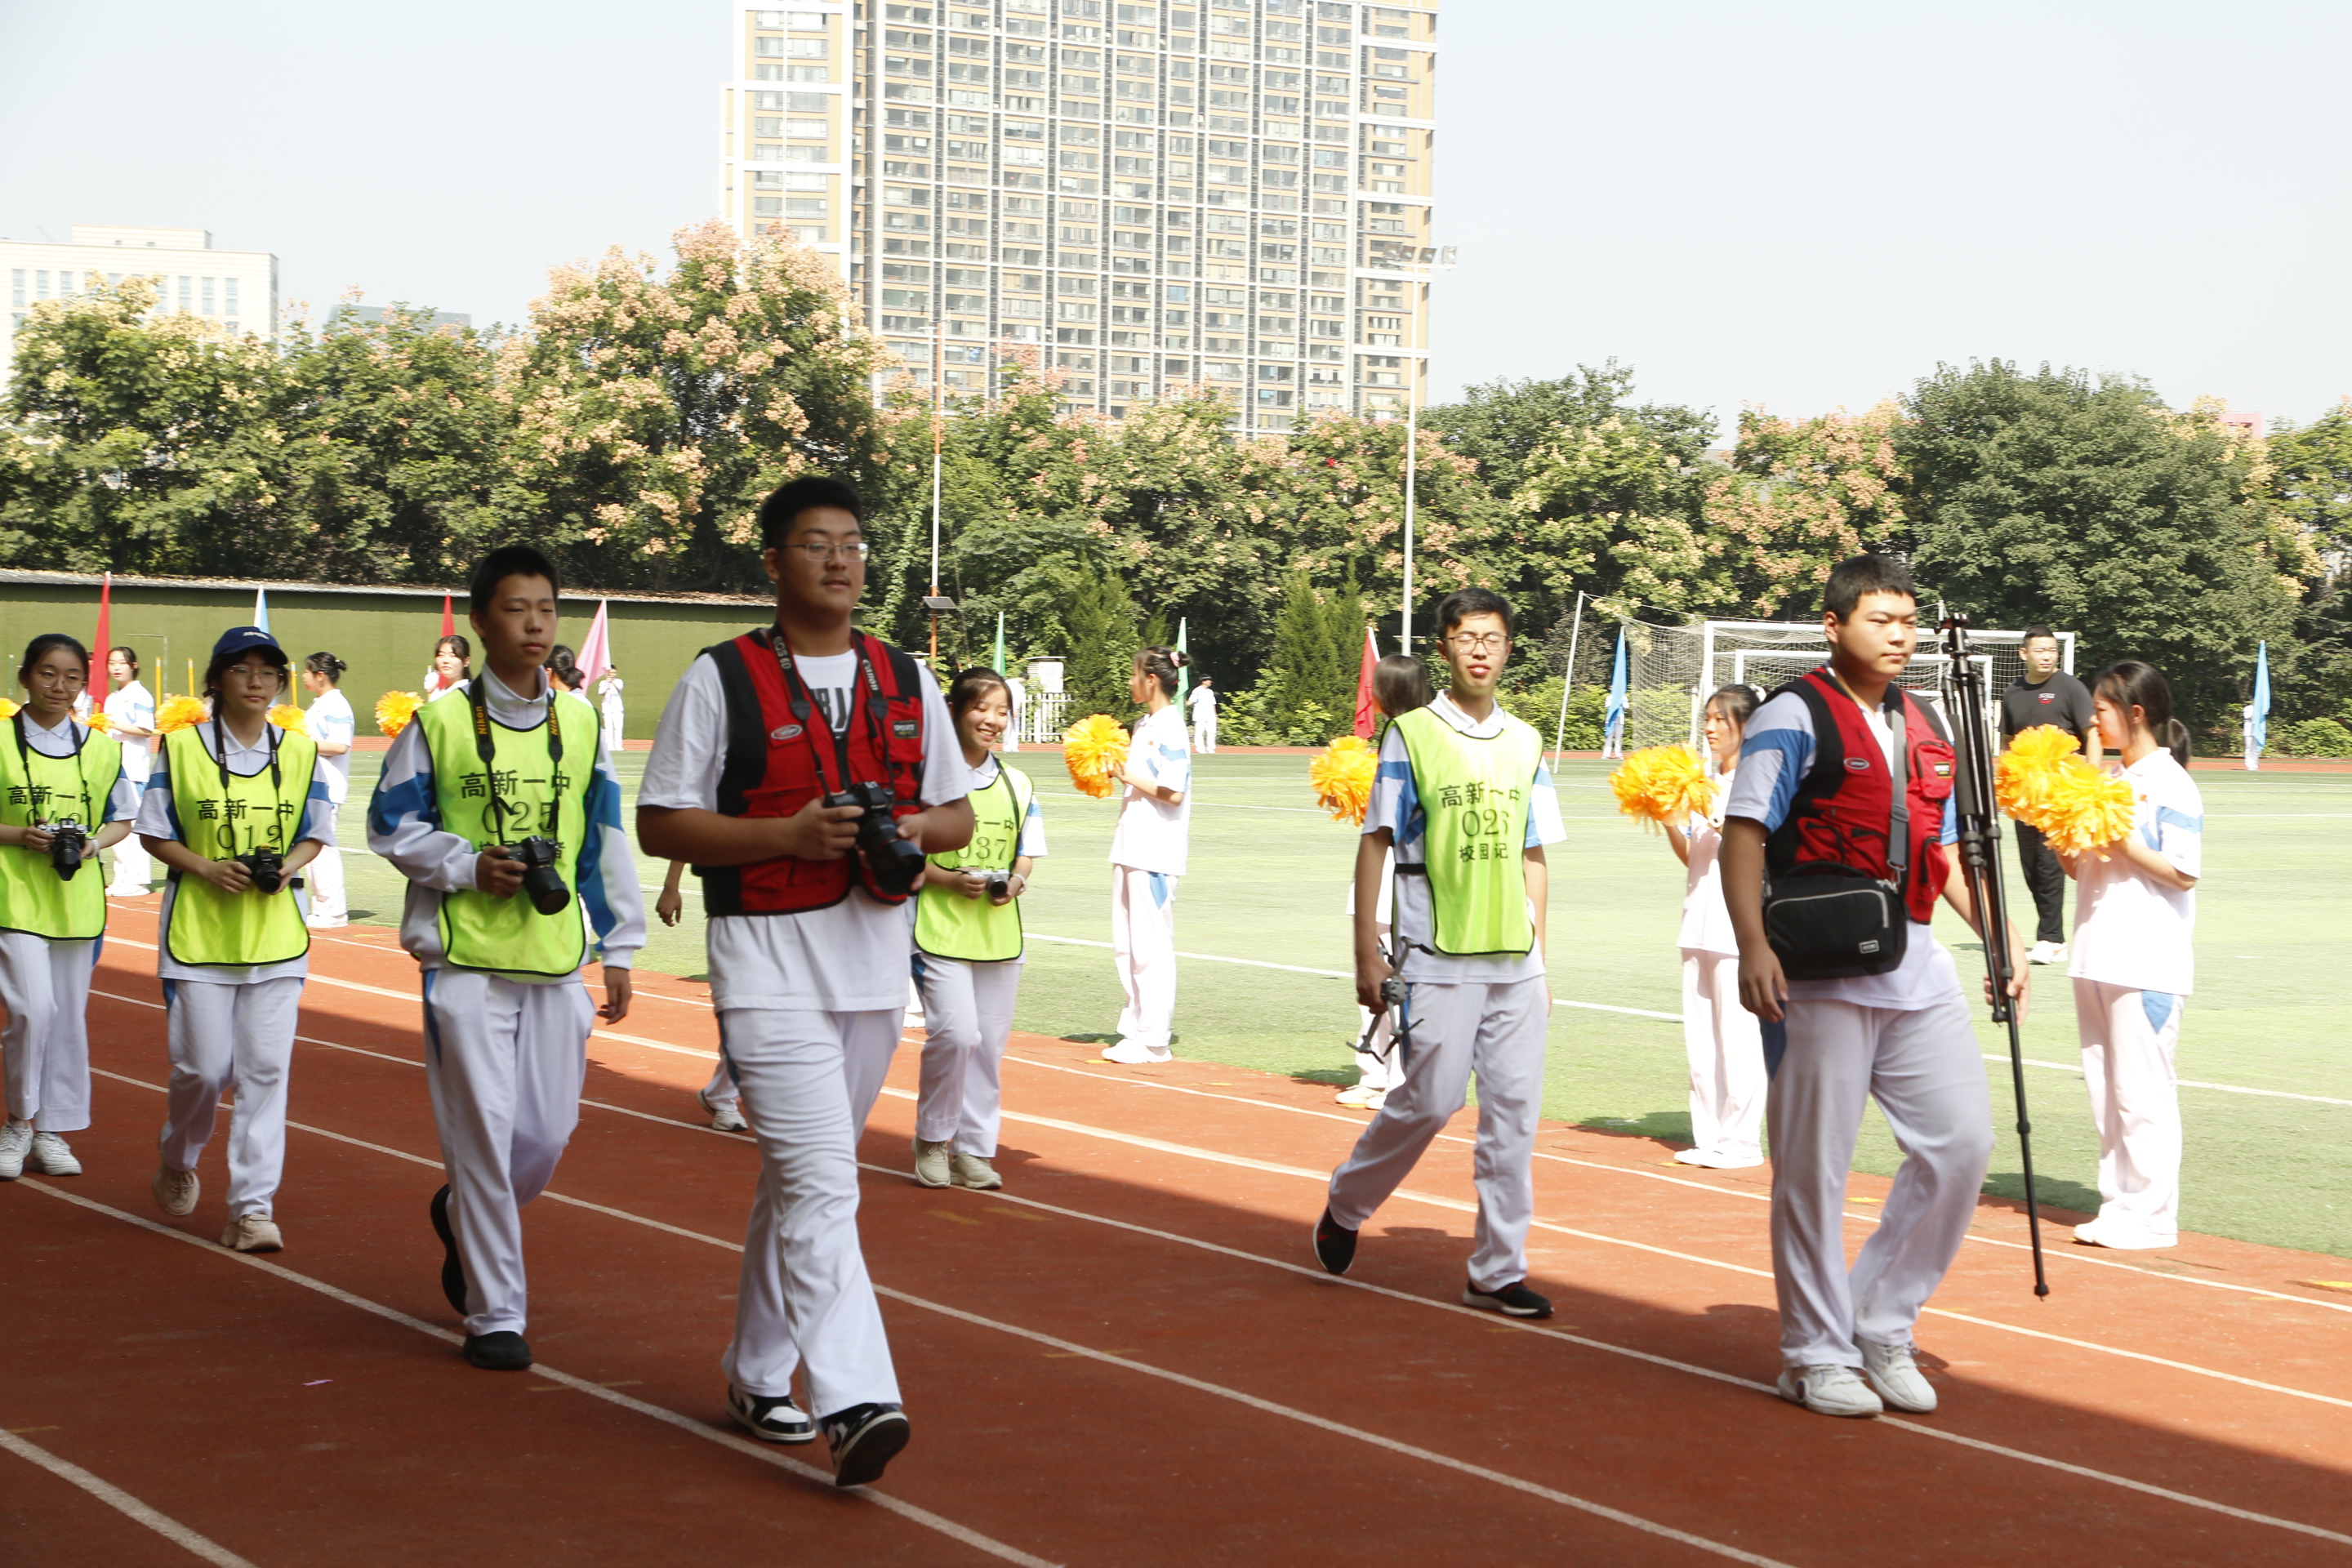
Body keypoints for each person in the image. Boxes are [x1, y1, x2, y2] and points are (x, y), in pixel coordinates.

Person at [637, 475, 972, 1490]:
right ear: (775, 562)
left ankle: (753, 1372)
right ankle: (859, 1398)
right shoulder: (721, 678)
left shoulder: (905, 677)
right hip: (767, 965)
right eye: (817, 543)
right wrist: (783, 835)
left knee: (798, 1179)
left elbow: (953, 812)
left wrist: (907, 827)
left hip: (874, 965)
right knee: (827, 1184)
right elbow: (661, 821)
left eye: (854, 544)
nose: (840, 559)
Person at [1718, 552, 2020, 1420]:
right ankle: (1814, 1353)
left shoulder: (1929, 723)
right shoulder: (1793, 713)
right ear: (1835, 625)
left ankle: (1881, 1319)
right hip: (1820, 966)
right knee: (1814, 1168)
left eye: (1908, 621)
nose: (1900, 635)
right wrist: (1751, 946)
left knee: (1962, 1143)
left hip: (1916, 959)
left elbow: (1948, 850)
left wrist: (2000, 941)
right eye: (1880, 620)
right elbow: (1744, 833)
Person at [368, 546, 644, 1373]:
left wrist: (621, 942)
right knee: (485, 1139)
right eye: (516, 609)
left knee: (545, 1136)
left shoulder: (584, 720)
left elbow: (603, 838)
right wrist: (465, 864)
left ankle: (460, 1211)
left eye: (546, 610)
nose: (534, 624)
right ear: (481, 622)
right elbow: (390, 826)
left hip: (557, 958)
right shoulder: (439, 724)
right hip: (464, 963)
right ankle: (495, 1314)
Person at [1312, 589, 1565, 1320]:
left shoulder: (1526, 741)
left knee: (1514, 1114)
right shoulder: (1412, 735)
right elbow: (1375, 843)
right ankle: (1347, 1200)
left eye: (1492, 637)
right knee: (1429, 1099)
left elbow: (1535, 853)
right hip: (1436, 952)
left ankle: (1496, 1270)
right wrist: (1368, 951)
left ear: (1509, 647)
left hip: (1514, 958)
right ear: (1446, 649)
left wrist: (1542, 953)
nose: (1480, 649)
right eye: (1466, 638)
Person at [140, 628, 336, 1252]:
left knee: (266, 1071)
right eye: (243, 669)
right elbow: (153, 832)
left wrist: (290, 865)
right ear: (218, 680)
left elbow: (315, 832)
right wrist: (205, 868)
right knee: (201, 1069)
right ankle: (179, 1156)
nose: (257, 681)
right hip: (199, 936)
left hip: (277, 939)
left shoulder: (301, 753)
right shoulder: (180, 748)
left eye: (269, 671)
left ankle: (252, 1208)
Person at [2061, 662, 2202, 1251]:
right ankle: (2119, 1203)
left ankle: (2152, 1215)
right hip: (2096, 951)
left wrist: (2123, 842)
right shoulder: (2112, 779)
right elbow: (2080, 867)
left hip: (2145, 959)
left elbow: (2184, 872)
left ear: (2134, 712)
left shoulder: (2170, 784)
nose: (2093, 720)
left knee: (2141, 1091)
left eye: (2101, 709)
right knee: (2105, 1089)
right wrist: (2065, 833)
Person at [0, 635, 136, 1183]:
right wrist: (16, 835)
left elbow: (122, 819)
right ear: (26, 676)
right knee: (32, 1011)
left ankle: (52, 1129)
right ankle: (17, 1123)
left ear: (85, 682)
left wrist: (93, 844)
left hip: (76, 902)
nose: (60, 687)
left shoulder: (101, 749)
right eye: (48, 674)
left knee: (67, 1021)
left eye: (73, 677)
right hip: (14, 895)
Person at [911, 667, 1046, 1191]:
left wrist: (1014, 880)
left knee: (989, 1044)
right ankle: (932, 1138)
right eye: (981, 709)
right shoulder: (925, 779)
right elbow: (900, 854)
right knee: (955, 1035)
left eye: (1002, 711)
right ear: (956, 712)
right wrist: (946, 880)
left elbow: (1027, 855)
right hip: (938, 928)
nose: (993, 720)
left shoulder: (1018, 783)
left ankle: (974, 1149)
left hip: (998, 935)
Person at [1659, 684, 1774, 1170]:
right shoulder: (1702, 782)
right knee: (1701, 1041)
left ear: (1745, 727)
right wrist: (1669, 819)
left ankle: (1743, 1141)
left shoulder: (1760, 781)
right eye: (1707, 718)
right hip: (1697, 923)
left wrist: (1719, 818)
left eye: (1719, 719)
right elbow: (1694, 856)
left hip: (1736, 931)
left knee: (1739, 1039)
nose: (1709, 728)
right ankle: (1710, 1135)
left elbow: (1762, 852)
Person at [1337, 653, 1433, 1111]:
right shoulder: (1394, 739)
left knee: (1398, 971)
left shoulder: (1415, 738)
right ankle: (1374, 1071)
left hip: (1404, 869)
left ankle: (1400, 1078)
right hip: (1383, 866)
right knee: (1377, 972)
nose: (1371, 693)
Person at [1102, 645, 1192, 1067]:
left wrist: (1126, 774)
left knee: (1151, 946)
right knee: (1128, 945)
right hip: (1132, 844)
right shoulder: (1145, 724)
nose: (1130, 680)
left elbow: (1173, 792)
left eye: (1134, 674)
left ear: (1151, 680)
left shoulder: (1171, 726)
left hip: (1155, 850)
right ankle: (1136, 1028)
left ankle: (1154, 1037)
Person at [1999, 626, 2096, 965]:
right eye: (2040, 650)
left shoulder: (2071, 688)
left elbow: (2091, 733)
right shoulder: (2012, 692)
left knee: (2050, 863)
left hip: (2060, 791)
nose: (2046, 655)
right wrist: (2004, 777)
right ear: (2023, 654)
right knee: (2031, 867)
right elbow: (2006, 742)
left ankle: (2050, 937)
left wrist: (2091, 777)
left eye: (2051, 650)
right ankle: (2052, 938)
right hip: (2025, 795)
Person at [301, 653, 356, 930]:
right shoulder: (320, 704)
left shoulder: (336, 704)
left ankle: (334, 911)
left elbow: (340, 746)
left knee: (323, 850)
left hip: (328, 787)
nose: (303, 676)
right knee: (312, 850)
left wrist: (301, 744)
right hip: (313, 787)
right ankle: (322, 907)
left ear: (319, 675)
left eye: (307, 672)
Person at [102, 646, 158, 897]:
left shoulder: (140, 695)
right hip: (115, 767)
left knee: (133, 826)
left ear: (133, 666)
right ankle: (122, 878)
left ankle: (137, 881)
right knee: (118, 824)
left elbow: (146, 729)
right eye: (112, 663)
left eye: (121, 663)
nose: (116, 667)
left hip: (134, 768)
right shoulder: (112, 697)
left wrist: (112, 723)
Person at [425, 634, 473, 702]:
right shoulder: (437, 694)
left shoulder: (468, 694)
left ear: (466, 661)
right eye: (441, 655)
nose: (445, 660)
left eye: (452, 656)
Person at [1187, 674, 1217, 754]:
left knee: (1212, 732)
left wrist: (1215, 715)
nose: (1210, 682)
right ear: (1203, 681)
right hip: (1200, 715)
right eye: (1208, 680)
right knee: (1199, 732)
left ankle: (1211, 748)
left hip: (1210, 715)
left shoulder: (1210, 692)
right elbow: (1191, 701)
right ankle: (1200, 749)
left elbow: (1213, 704)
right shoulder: (1197, 690)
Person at [599, 667, 626, 746]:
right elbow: (602, 693)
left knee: (618, 727)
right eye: (611, 672)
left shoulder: (619, 681)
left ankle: (618, 745)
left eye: (614, 673)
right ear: (608, 673)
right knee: (608, 727)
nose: (613, 674)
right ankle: (609, 745)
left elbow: (619, 689)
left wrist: (612, 682)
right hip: (607, 707)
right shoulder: (603, 683)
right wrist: (607, 684)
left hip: (617, 707)